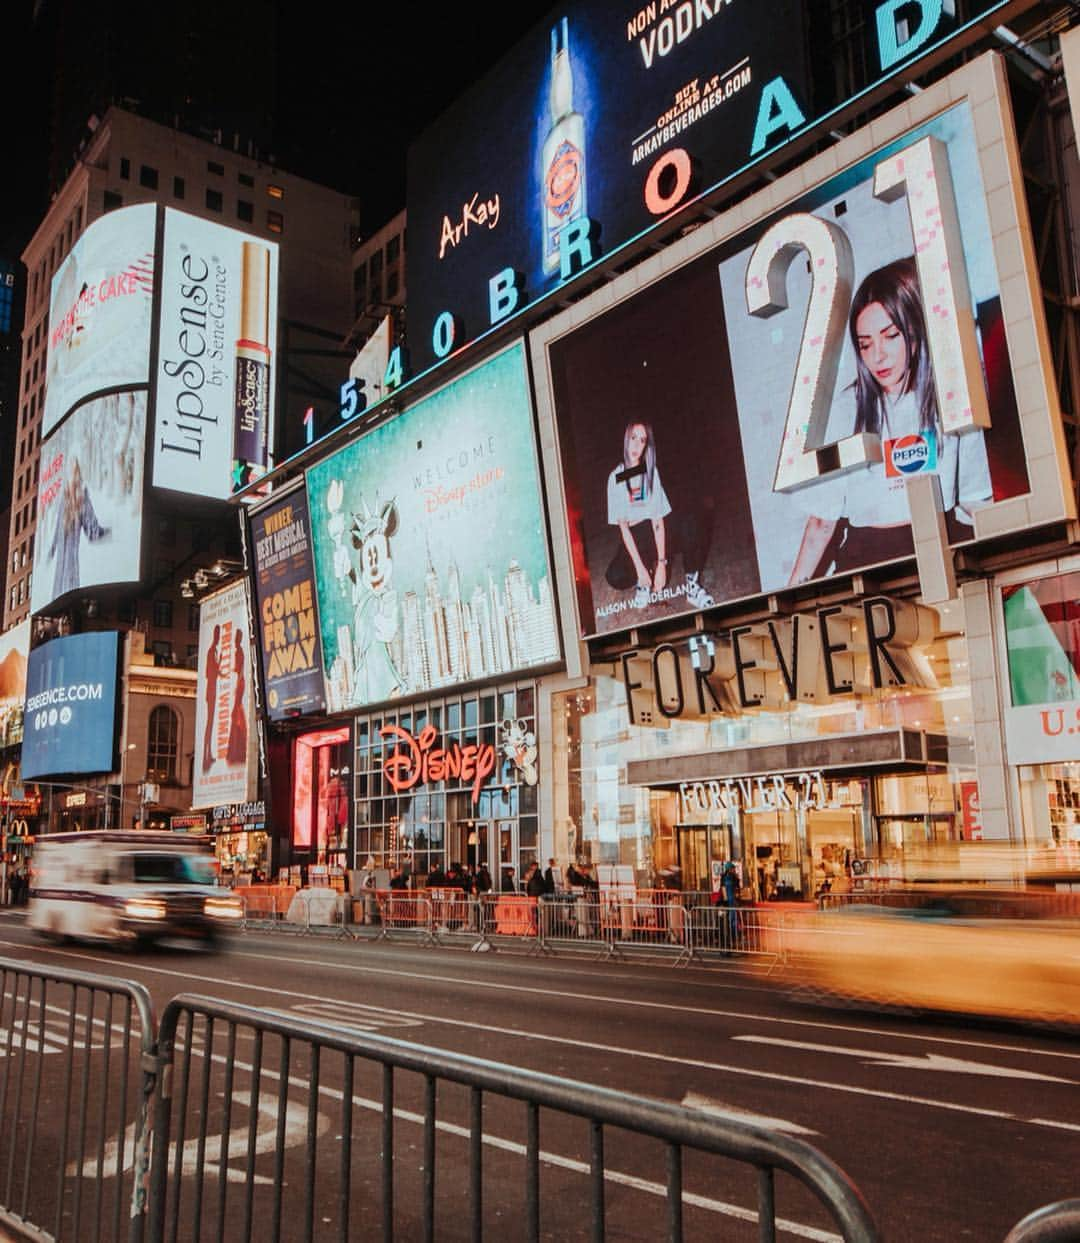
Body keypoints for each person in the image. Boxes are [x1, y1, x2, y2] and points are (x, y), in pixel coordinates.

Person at [789, 258, 992, 585]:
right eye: (866, 344)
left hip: (944, 544)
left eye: (890, 335)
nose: (878, 356)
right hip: (867, 558)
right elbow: (821, 522)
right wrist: (789, 600)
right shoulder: (846, 408)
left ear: (914, 330)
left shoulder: (951, 398)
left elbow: (973, 498)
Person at [605, 422, 713, 611]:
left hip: (659, 533)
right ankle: (645, 577)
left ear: (647, 445)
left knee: (693, 521)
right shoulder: (615, 477)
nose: (637, 445)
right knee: (615, 575)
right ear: (625, 440)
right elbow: (624, 528)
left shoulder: (650, 472)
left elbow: (657, 521)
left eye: (642, 440)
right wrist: (640, 570)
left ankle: (692, 585)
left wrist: (663, 564)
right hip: (637, 538)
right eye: (633, 438)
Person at [48, 457, 109, 602]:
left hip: (67, 559)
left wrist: (101, 532)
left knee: (66, 586)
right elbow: (60, 525)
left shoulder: (75, 495)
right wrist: (53, 546)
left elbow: (88, 526)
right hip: (65, 560)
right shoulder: (71, 495)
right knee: (64, 587)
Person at [225, 630, 248, 765]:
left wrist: (237, 685)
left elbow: (240, 670)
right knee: (236, 716)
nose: (235, 640)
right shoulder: (239, 651)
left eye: (236, 638)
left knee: (236, 715)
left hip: (239, 684)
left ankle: (237, 751)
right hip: (239, 683)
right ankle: (236, 751)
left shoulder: (239, 651)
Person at [201, 625, 221, 772]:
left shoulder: (214, 651)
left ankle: (209, 754)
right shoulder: (210, 651)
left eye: (219, 635)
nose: (218, 637)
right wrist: (218, 664)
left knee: (211, 723)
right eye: (216, 634)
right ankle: (206, 755)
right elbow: (209, 673)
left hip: (213, 690)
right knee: (209, 723)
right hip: (210, 691)